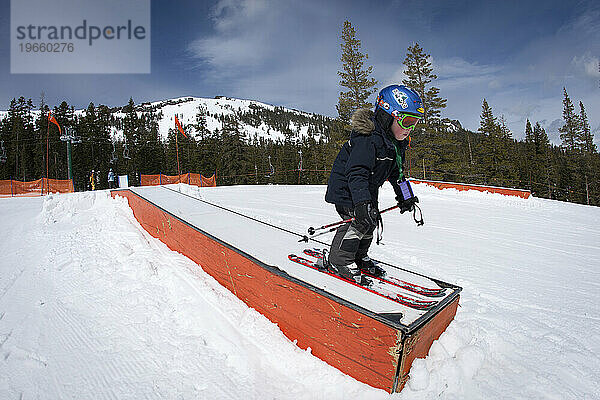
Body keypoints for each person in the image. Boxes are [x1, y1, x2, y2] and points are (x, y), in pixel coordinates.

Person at [323, 84, 423, 285]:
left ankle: (358, 256)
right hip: (347, 188)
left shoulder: (395, 143)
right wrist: (361, 204)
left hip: (366, 190)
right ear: (387, 116)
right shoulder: (367, 139)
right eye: (407, 121)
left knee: (371, 219)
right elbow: (356, 172)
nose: (410, 128)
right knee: (359, 220)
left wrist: (406, 195)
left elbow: (398, 174)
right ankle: (339, 260)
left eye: (415, 122)